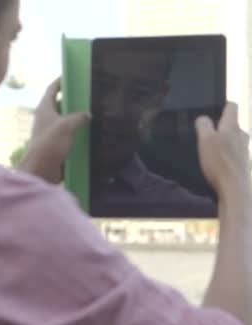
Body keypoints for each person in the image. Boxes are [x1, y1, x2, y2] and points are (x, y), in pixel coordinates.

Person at [0, 1, 252, 325]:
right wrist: (238, 194)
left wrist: (28, 175)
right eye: (10, 40)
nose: (115, 108)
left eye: (139, 91)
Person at [90, 46, 217, 218]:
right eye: (103, 87)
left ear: (159, 100)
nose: (117, 110)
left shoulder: (188, 207)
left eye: (140, 94)